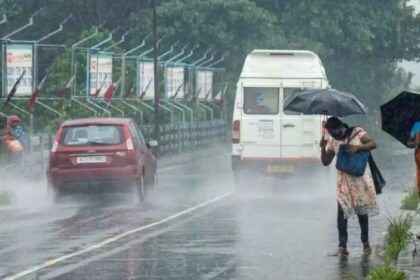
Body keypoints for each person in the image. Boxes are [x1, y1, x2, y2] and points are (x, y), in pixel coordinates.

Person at [320, 117, 379, 256]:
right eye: (331, 133)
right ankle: (342, 246)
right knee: (341, 213)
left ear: (341, 127)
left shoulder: (357, 133)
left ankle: (365, 243)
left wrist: (357, 148)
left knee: (362, 212)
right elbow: (326, 162)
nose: (335, 135)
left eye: (336, 131)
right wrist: (323, 147)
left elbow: (372, 143)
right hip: (343, 182)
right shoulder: (333, 141)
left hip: (360, 180)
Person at [407, 121, 420, 199]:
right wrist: (415, 143)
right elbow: (409, 142)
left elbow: (409, 142)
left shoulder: (417, 125)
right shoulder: (417, 125)